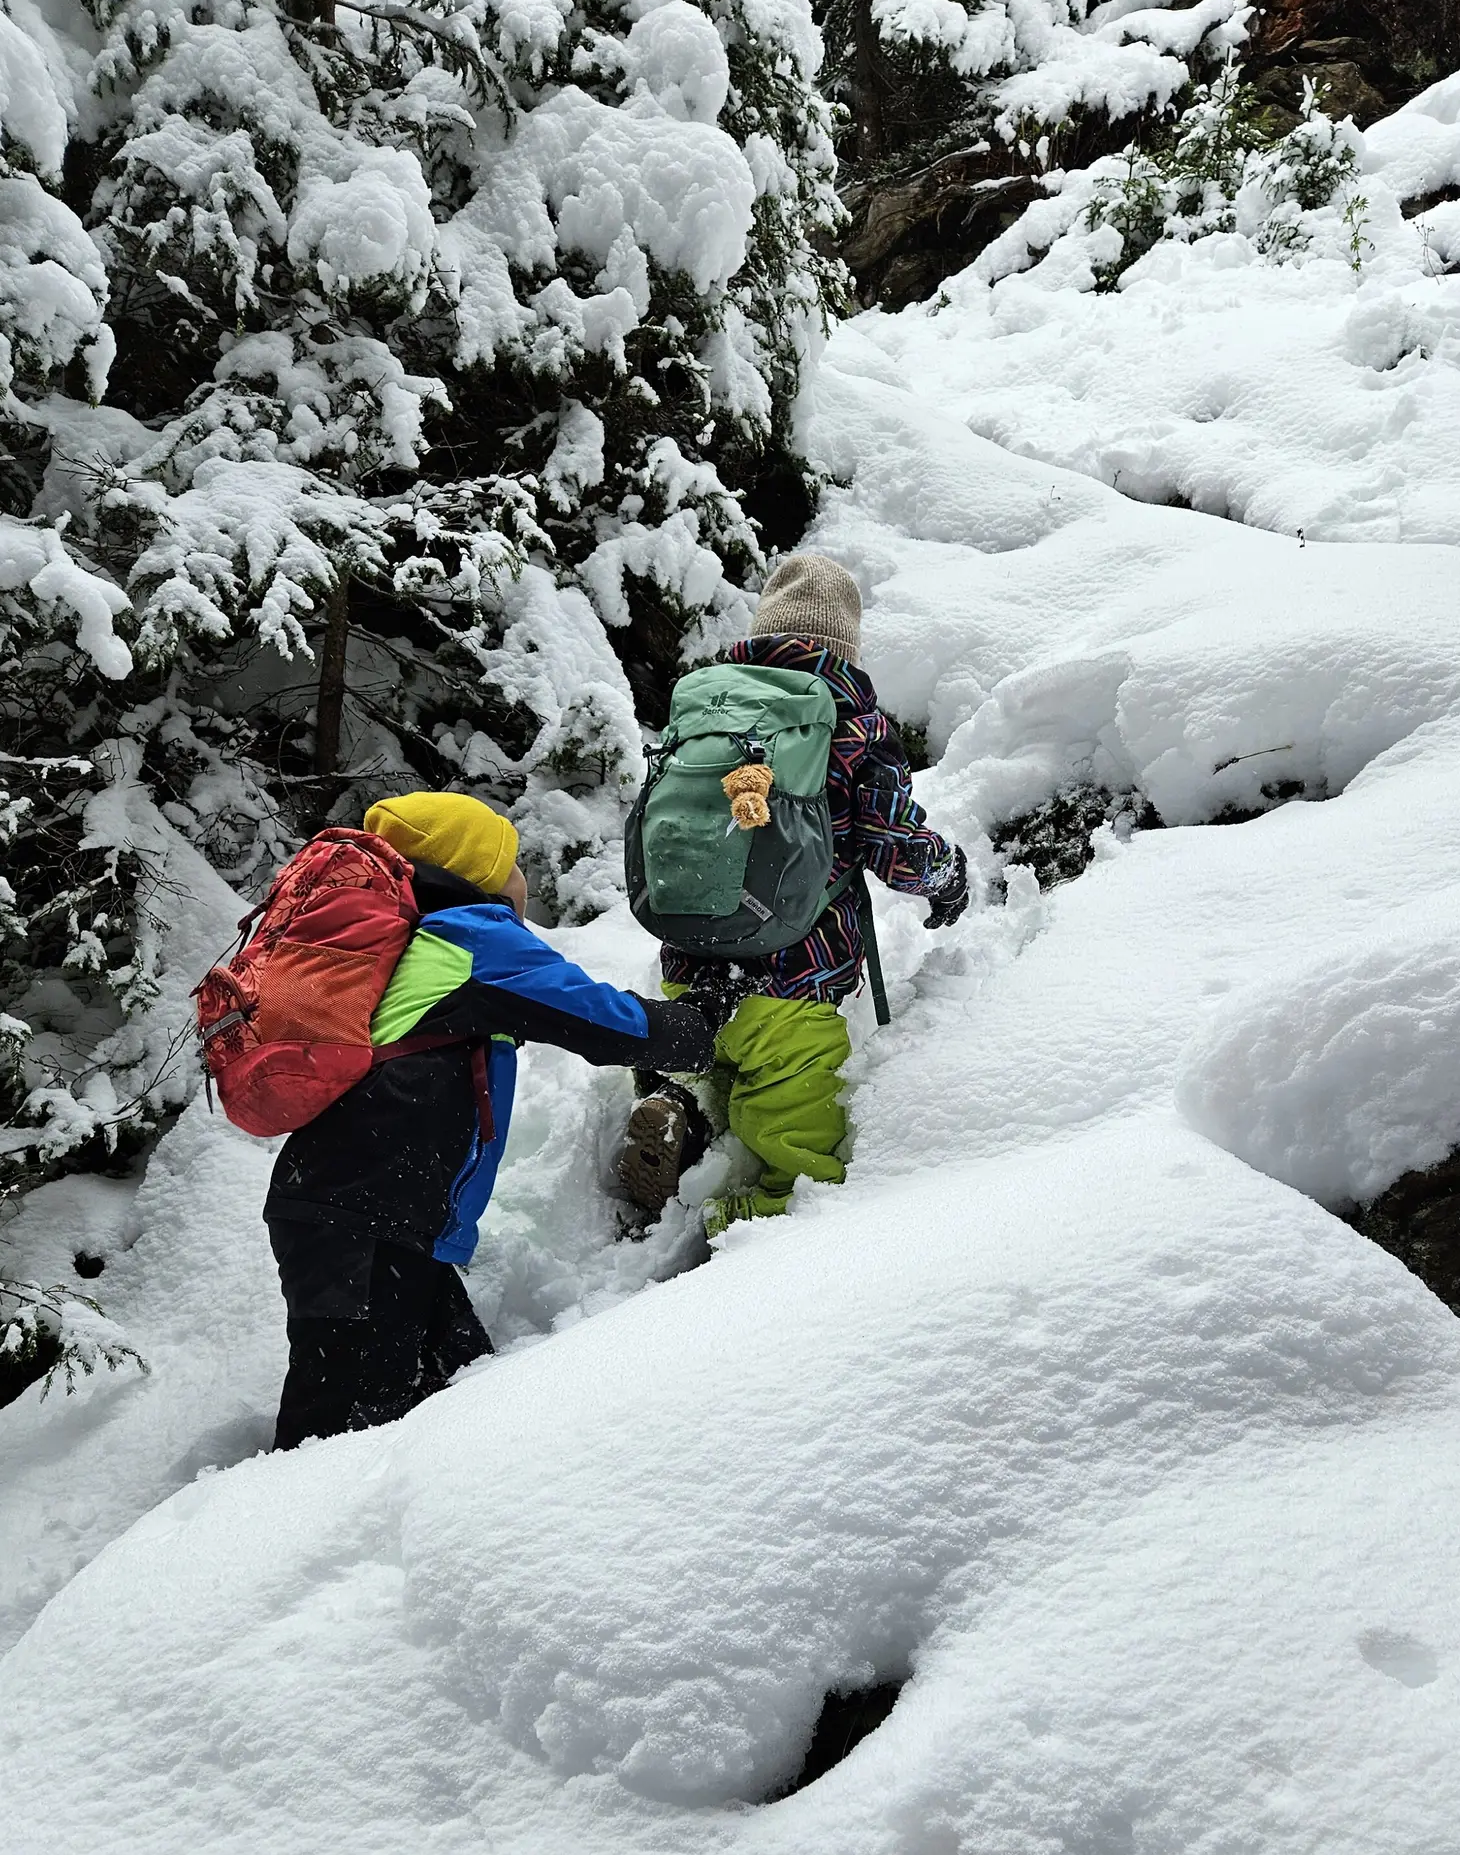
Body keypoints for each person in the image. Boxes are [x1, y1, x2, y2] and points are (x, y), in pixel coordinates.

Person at [265, 790, 714, 1448]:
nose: (522, 876)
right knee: (335, 1437)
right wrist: (703, 1026)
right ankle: (268, 1536)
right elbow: (599, 1019)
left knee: (459, 1384)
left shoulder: (417, 942)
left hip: (358, 1215)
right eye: (513, 861)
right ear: (479, 871)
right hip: (366, 1223)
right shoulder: (471, 940)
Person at [616, 555, 967, 1229]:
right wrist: (946, 877)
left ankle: (681, 1106)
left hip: (691, 954)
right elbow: (895, 847)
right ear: (846, 643)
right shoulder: (854, 724)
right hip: (794, 984)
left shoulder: (707, 706)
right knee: (799, 1159)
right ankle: (744, 1245)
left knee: (715, 1056)